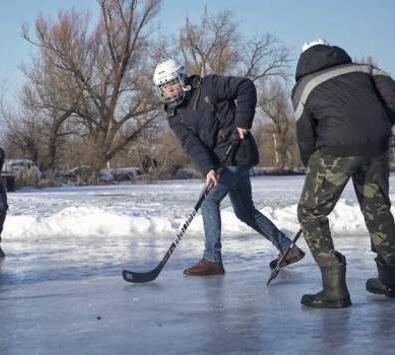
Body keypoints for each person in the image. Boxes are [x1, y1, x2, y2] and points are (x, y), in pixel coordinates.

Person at [153, 59, 304, 275]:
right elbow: (191, 143)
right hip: (220, 162)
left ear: (182, 78)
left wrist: (243, 122)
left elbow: (245, 86)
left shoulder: (209, 86)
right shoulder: (173, 114)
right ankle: (287, 248)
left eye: (172, 83)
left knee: (209, 201)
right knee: (244, 211)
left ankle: (212, 259)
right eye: (164, 87)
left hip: (238, 151)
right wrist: (208, 169)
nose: (169, 89)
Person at [292, 39, 395, 308]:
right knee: (377, 208)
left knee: (310, 212)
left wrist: (311, 165)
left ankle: (334, 289)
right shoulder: (366, 69)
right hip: (377, 144)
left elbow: (305, 135)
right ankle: (391, 279)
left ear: (303, 60)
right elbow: (392, 96)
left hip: (335, 150)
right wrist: (381, 128)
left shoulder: (304, 86)